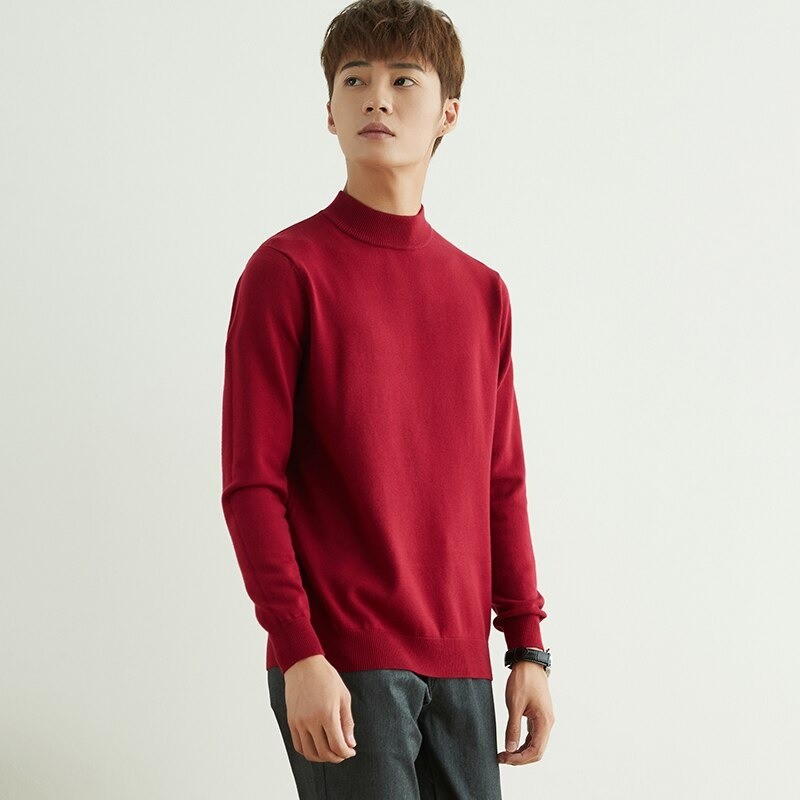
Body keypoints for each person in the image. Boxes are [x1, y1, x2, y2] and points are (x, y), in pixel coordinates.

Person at [220, 1, 554, 796]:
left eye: (403, 79)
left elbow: (500, 483)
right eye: (354, 79)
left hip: (463, 666)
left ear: (448, 113)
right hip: (342, 660)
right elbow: (252, 484)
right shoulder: (287, 272)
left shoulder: (482, 293)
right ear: (329, 112)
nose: (376, 97)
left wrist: (527, 647)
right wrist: (299, 650)